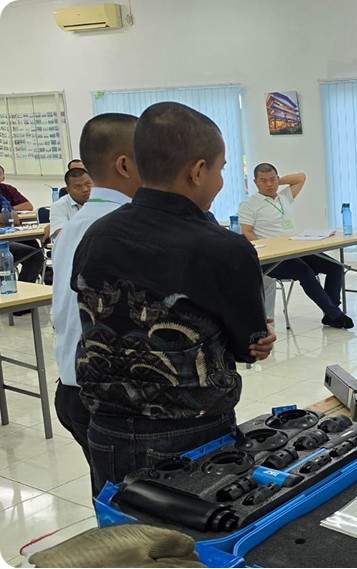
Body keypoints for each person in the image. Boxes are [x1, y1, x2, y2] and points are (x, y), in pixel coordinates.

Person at [71, 102, 276, 492]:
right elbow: (249, 346)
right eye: (220, 169)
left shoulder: (96, 234)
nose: (219, 181)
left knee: (119, 540)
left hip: (106, 429)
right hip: (190, 433)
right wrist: (257, 342)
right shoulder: (224, 249)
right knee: (186, 546)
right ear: (198, 171)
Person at [52, 113, 141, 494]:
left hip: (72, 387)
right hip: (106, 400)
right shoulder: (126, 227)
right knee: (133, 516)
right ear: (124, 164)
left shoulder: (79, 224)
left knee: (109, 501)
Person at [237, 164, 353, 329]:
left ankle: (330, 312)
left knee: (335, 267)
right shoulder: (249, 205)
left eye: (272, 179)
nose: (269, 184)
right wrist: (268, 248)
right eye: (263, 181)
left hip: (295, 249)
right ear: (256, 182)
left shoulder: (284, 196)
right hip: (273, 257)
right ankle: (335, 314)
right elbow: (246, 232)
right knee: (304, 272)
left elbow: (301, 177)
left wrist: (278, 181)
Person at [48, 167, 93, 243]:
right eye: (78, 187)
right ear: (68, 190)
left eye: (88, 184)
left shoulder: (102, 201)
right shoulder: (58, 206)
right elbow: (62, 236)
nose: (85, 189)